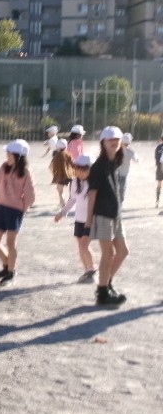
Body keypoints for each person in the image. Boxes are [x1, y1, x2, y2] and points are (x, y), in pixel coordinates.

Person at [86, 126, 129, 306]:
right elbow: (92, 195)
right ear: (103, 142)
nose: (114, 142)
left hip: (115, 214)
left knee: (123, 252)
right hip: (103, 214)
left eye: (117, 139)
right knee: (108, 253)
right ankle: (102, 293)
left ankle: (106, 284)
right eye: (110, 139)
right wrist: (88, 221)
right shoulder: (99, 166)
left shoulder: (115, 162)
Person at [0, 139, 36, 286]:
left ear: (18, 156)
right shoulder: (4, 167)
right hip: (0, 207)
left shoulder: (25, 172)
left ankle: (10, 273)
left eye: (10, 153)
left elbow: (30, 195)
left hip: (15, 211)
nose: (7, 156)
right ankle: (8, 265)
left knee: (10, 243)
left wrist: (22, 208)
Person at [54, 154, 97, 283]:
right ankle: (87, 270)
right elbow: (72, 199)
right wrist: (63, 212)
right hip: (79, 219)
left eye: (83, 170)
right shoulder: (74, 182)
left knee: (84, 245)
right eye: (77, 169)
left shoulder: (96, 183)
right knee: (81, 246)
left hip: (92, 220)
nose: (79, 172)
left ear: (91, 170)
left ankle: (92, 270)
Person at [51, 138, 75, 209]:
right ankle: (70, 204)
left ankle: (63, 204)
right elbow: (73, 165)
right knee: (72, 192)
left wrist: (54, 174)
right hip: (70, 175)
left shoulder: (57, 155)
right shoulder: (68, 154)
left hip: (61, 176)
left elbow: (52, 166)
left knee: (60, 191)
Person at [117, 132, 139, 204]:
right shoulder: (131, 151)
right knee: (122, 188)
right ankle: (120, 202)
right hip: (124, 173)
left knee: (116, 187)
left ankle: (116, 201)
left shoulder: (117, 150)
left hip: (116, 172)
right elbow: (136, 160)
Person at [156, 134, 163, 208]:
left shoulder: (158, 147)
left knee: (159, 185)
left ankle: (157, 202)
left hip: (159, 168)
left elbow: (156, 157)